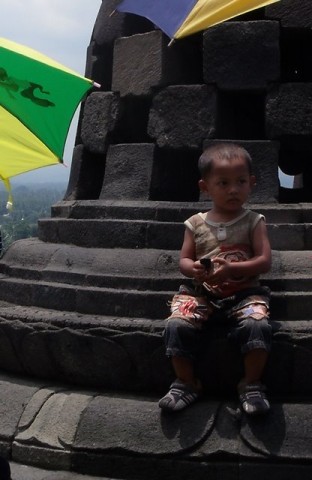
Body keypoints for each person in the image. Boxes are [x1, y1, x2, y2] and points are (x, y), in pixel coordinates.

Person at [159, 143, 272, 415]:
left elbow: (264, 261)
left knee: (258, 325)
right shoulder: (195, 223)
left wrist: (233, 270)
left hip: (245, 292)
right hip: (202, 293)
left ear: (251, 183)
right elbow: (184, 260)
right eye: (223, 183)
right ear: (205, 186)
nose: (233, 190)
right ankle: (186, 382)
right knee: (176, 324)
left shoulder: (254, 221)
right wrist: (194, 268)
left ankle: (251, 384)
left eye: (241, 182)